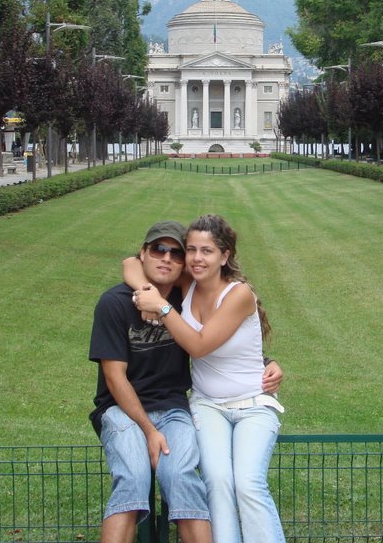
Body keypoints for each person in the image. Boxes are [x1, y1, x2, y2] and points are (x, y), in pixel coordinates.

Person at [92, 221, 283, 543]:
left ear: (224, 256)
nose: (172, 258)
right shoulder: (155, 291)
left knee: (218, 481)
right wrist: (146, 292)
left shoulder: (206, 292)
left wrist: (161, 306)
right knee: (175, 480)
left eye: (179, 252)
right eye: (160, 249)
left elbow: (204, 343)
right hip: (165, 406)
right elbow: (130, 264)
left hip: (214, 404)